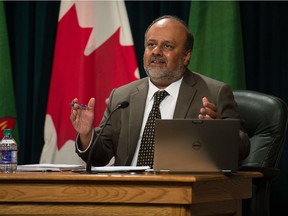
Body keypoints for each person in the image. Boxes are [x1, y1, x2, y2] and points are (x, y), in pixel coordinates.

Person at [70, 15, 250, 167]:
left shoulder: (214, 92)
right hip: (126, 194)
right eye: (151, 44)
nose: (156, 52)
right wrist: (86, 135)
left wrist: (218, 131)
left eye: (167, 46)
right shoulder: (122, 96)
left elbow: (242, 150)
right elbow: (99, 158)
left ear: (186, 56)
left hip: (181, 193)